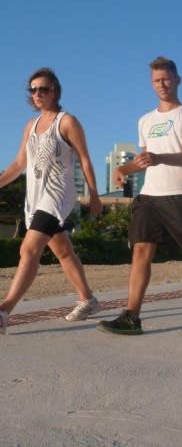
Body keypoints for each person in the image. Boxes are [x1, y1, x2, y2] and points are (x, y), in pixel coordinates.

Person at [96, 56, 182, 336]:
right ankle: (132, 316)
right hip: (149, 196)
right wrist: (123, 168)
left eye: (166, 79)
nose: (162, 84)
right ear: (151, 83)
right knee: (141, 250)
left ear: (177, 80)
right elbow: (144, 160)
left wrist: (160, 157)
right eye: (157, 80)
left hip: (179, 194)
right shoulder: (145, 120)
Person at [0, 68, 103, 335]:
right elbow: (19, 164)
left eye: (42, 89)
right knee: (63, 251)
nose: (37, 94)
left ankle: (4, 310)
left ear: (55, 91)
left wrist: (94, 195)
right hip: (35, 197)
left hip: (57, 194)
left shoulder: (67, 122)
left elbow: (85, 159)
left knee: (29, 249)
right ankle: (88, 300)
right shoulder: (30, 126)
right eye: (33, 90)